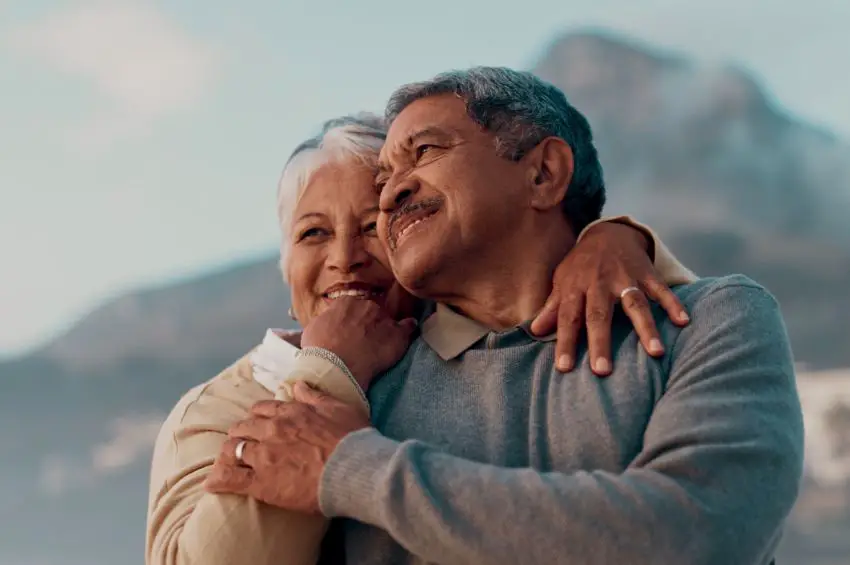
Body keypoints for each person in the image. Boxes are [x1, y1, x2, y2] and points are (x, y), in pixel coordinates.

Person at [207, 68, 805, 565]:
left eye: (425, 151)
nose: (391, 192)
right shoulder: (357, 383)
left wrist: (354, 470)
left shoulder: (705, 322)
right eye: (385, 176)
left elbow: (700, 536)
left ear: (542, 173)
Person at [145, 110, 695, 565]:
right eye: (314, 233)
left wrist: (616, 240)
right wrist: (329, 367)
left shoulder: (480, 351)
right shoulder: (215, 409)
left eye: (370, 227)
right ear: (286, 268)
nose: (344, 259)